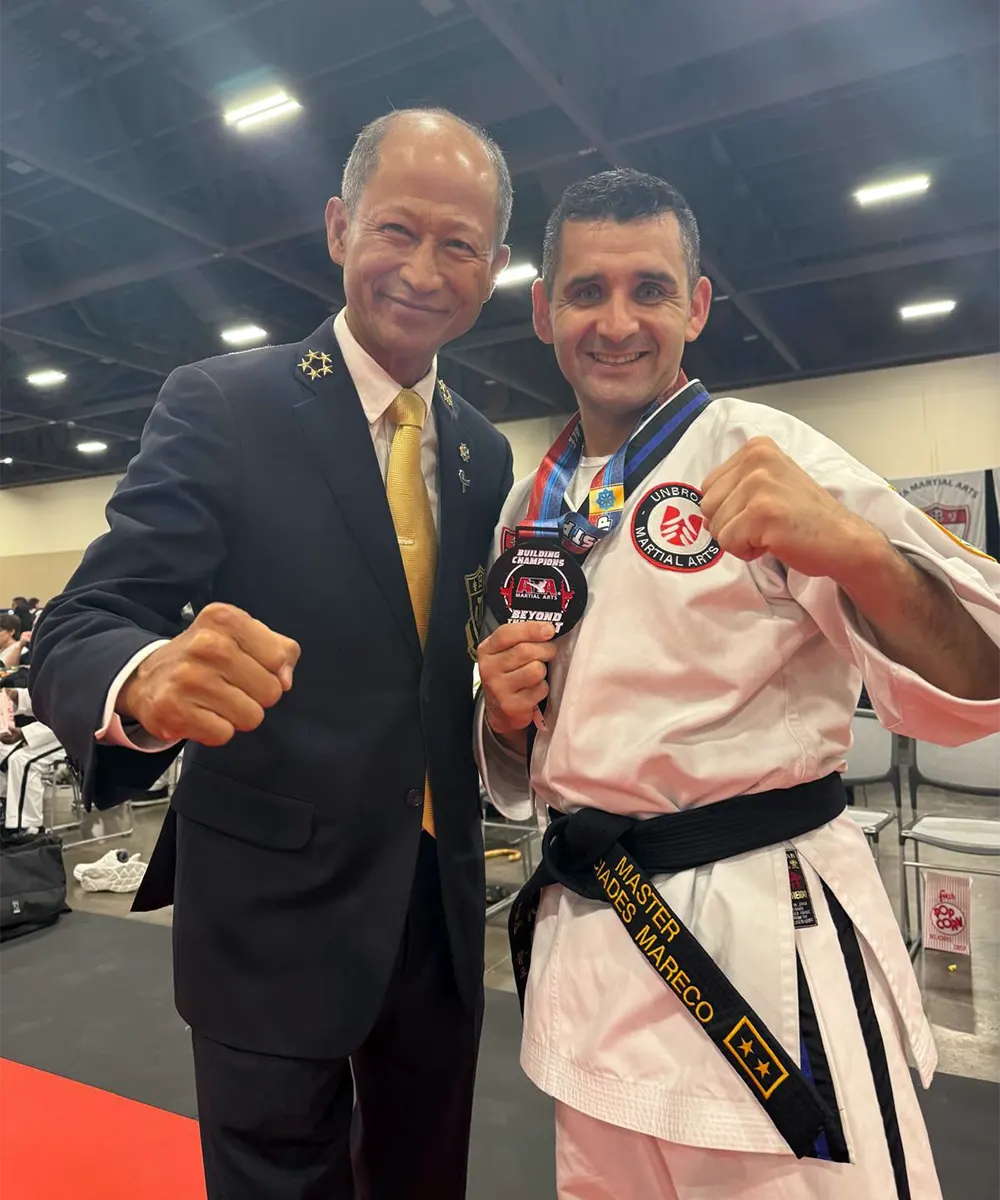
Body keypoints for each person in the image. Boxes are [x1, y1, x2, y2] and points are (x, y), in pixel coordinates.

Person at [476, 168, 1000, 1200]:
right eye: (585, 291)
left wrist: (856, 551)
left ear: (697, 306)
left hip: (762, 945)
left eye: (649, 289)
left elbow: (982, 671)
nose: (616, 322)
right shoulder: (524, 507)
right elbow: (534, 755)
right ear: (542, 312)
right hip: (590, 952)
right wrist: (498, 718)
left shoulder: (768, 453)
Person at [31, 107, 515, 1199]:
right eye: (397, 229)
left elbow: (432, 667)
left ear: (491, 270)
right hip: (270, 908)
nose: (423, 270)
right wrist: (145, 678)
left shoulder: (484, 453)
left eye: (460, 245)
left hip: (437, 913)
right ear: (339, 228)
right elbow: (81, 621)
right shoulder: (223, 404)